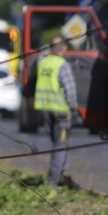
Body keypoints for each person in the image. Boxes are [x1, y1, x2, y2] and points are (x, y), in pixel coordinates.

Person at [33, 37, 82, 188]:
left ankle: (64, 173)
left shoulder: (42, 62)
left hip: (44, 109)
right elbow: (71, 91)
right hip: (61, 111)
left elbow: (41, 52)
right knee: (60, 145)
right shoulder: (63, 65)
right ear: (64, 50)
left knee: (58, 143)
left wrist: (50, 45)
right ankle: (53, 182)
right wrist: (74, 108)